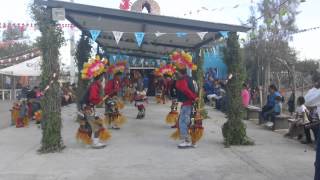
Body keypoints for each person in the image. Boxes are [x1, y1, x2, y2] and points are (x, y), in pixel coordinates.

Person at [175, 68, 198, 148]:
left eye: (177, 73)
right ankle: (193, 142)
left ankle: (186, 141)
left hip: (188, 103)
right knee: (192, 122)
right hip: (193, 103)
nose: (176, 75)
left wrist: (193, 98)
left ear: (181, 73)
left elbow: (186, 91)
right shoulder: (192, 79)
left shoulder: (183, 80)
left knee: (183, 122)